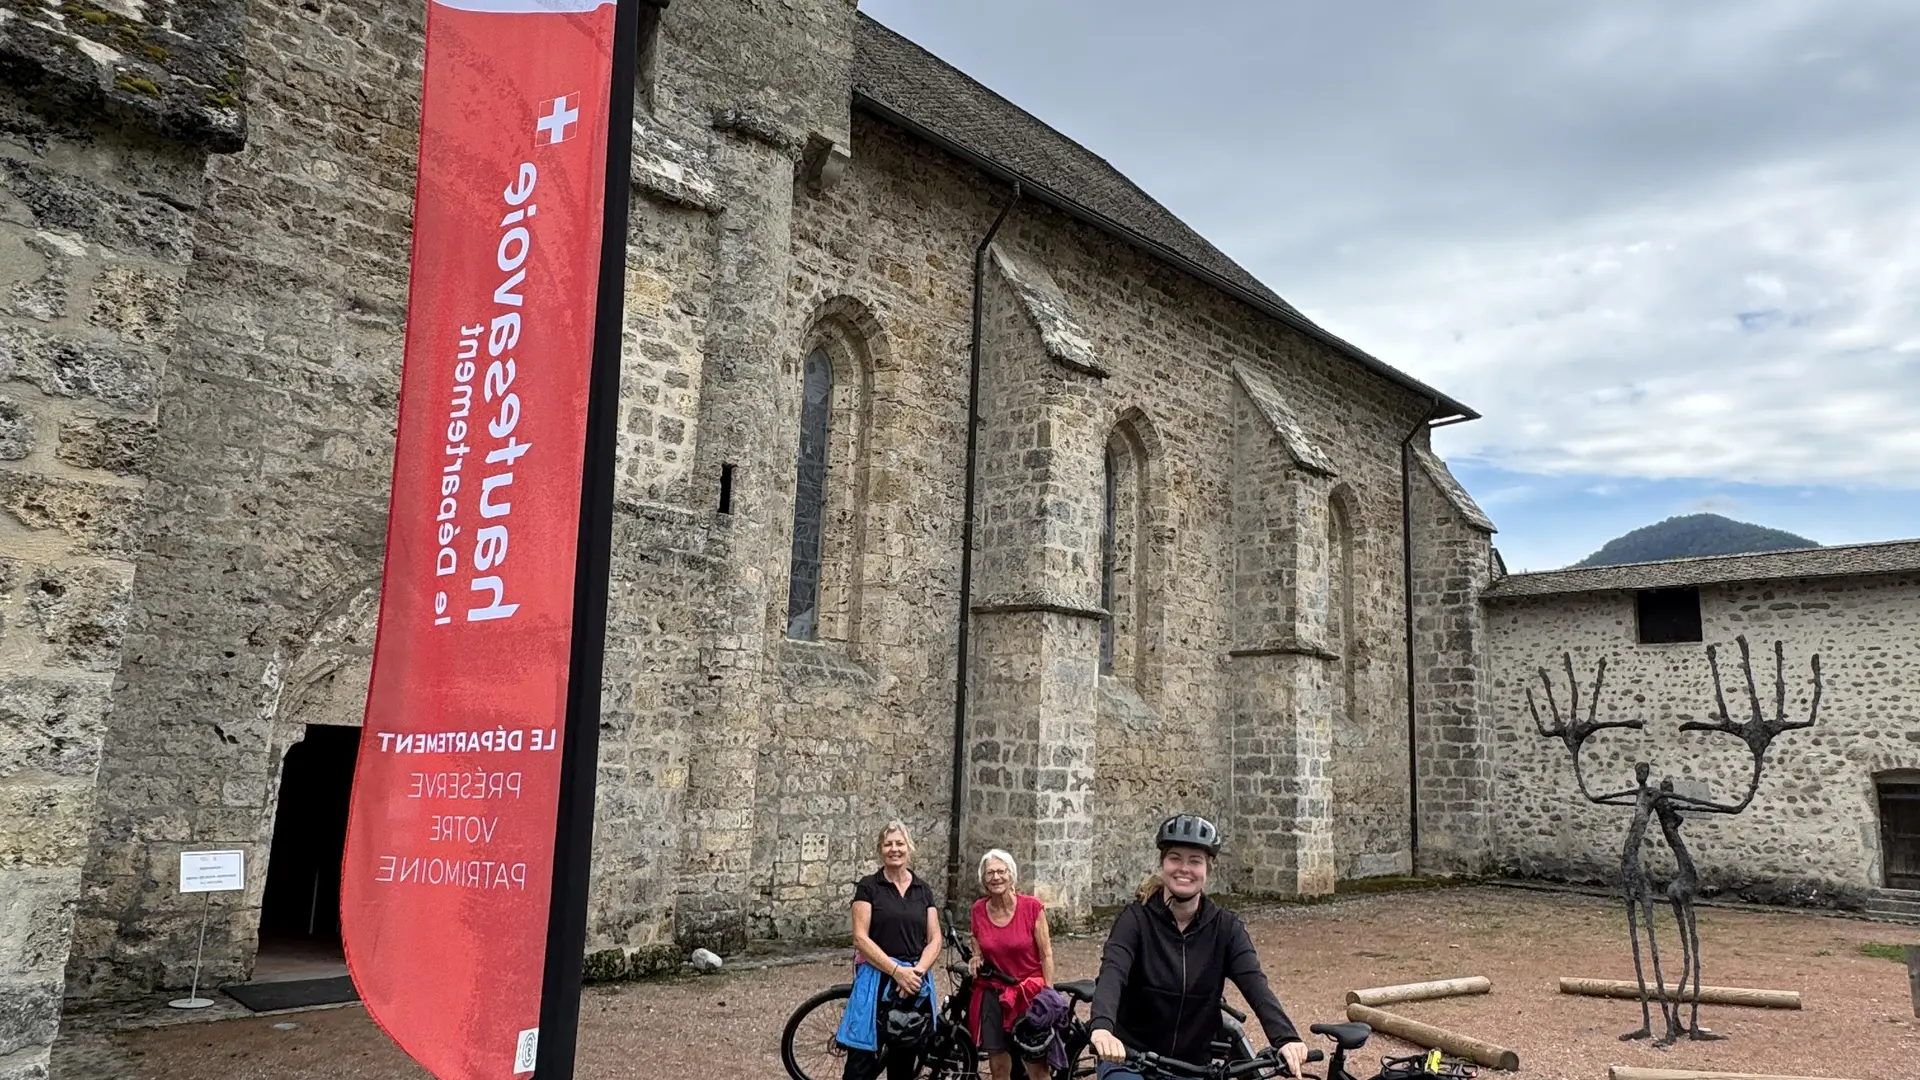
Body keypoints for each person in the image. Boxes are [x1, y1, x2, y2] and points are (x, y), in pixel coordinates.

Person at [1087, 814, 1308, 1078]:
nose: (1184, 868)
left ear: (1207, 869)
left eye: (1195, 861)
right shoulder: (1135, 920)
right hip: (1133, 1059)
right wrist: (1102, 1027)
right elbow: (1113, 972)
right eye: (1175, 858)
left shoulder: (1226, 928)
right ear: (1162, 864)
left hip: (1192, 1066)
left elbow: (1256, 984)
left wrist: (1286, 1037)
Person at [836, 821, 942, 1080]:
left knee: (904, 1063)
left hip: (913, 982)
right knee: (860, 1063)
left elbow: (935, 938)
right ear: (880, 850)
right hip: (877, 979)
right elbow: (860, 938)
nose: (894, 849)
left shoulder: (922, 889)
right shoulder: (869, 887)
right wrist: (896, 972)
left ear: (909, 848)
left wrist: (915, 973)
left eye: (899, 843)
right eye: (888, 844)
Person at [968, 849, 1057, 1080]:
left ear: (1011, 875)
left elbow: (1046, 953)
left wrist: (1048, 993)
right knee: (998, 1067)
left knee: (1037, 1068)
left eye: (1001, 871)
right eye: (990, 873)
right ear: (983, 879)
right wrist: (976, 954)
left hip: (1028, 994)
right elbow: (976, 935)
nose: (996, 877)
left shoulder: (1031, 907)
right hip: (993, 993)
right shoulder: (978, 909)